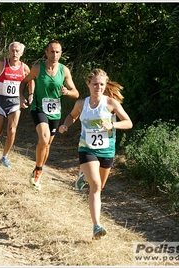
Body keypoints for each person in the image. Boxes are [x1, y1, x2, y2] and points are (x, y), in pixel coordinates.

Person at [58, 68, 133, 239]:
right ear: (88, 84)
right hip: (87, 148)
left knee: (99, 187)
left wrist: (113, 125)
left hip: (107, 150)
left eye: (101, 84)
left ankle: (83, 177)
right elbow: (72, 116)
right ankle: (96, 226)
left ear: (105, 85)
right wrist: (66, 125)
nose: (98, 87)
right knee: (96, 185)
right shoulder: (81, 103)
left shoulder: (111, 104)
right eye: (95, 84)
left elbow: (128, 123)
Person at [19, 40, 79, 191]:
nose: (54, 55)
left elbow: (76, 93)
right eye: (51, 51)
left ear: (61, 53)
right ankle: (38, 172)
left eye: (57, 52)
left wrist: (67, 92)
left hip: (55, 112)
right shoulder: (38, 69)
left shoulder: (64, 71)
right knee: (44, 138)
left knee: (48, 144)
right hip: (38, 108)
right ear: (46, 53)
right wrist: (21, 96)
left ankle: (37, 170)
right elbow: (24, 82)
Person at [0, 42, 34, 168]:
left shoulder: (24, 68)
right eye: (12, 50)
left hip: (15, 103)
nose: (15, 53)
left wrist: (30, 94)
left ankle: (4, 157)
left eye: (17, 51)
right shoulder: (1, 64)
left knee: (12, 130)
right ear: (9, 52)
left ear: (22, 53)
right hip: (0, 101)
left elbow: (31, 81)